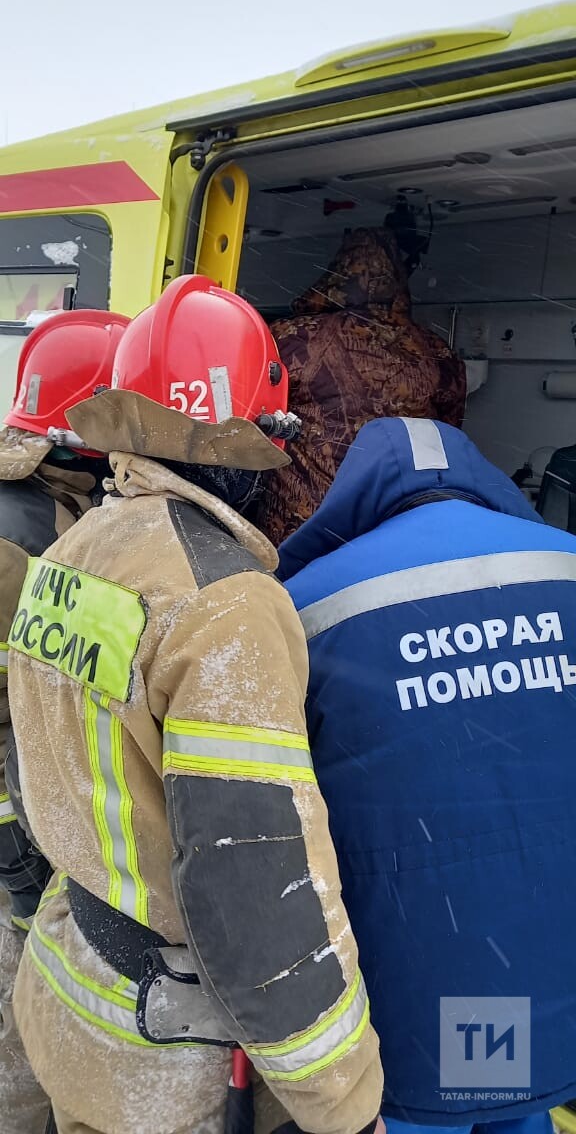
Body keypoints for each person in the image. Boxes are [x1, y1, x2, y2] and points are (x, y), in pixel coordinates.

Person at [7, 275, 383, 1134]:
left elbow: (36, 768)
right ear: (252, 437)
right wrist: (344, 1103)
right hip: (166, 1063)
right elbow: (255, 883)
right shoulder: (224, 604)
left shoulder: (73, 550)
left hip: (70, 985)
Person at [280, 416, 576, 1134]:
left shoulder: (306, 607)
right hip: (553, 963)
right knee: (523, 1100)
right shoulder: (564, 564)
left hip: (419, 988)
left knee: (454, 1097)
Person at [0, 307, 128, 1134]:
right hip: (16, 841)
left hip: (23, 828)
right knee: (21, 1053)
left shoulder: (43, 508)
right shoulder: (28, 538)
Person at [256, 226, 466, 544]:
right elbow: (449, 432)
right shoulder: (436, 350)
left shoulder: (292, 336)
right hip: (394, 524)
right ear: (398, 281)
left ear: (337, 276)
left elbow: (249, 415)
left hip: (304, 528)